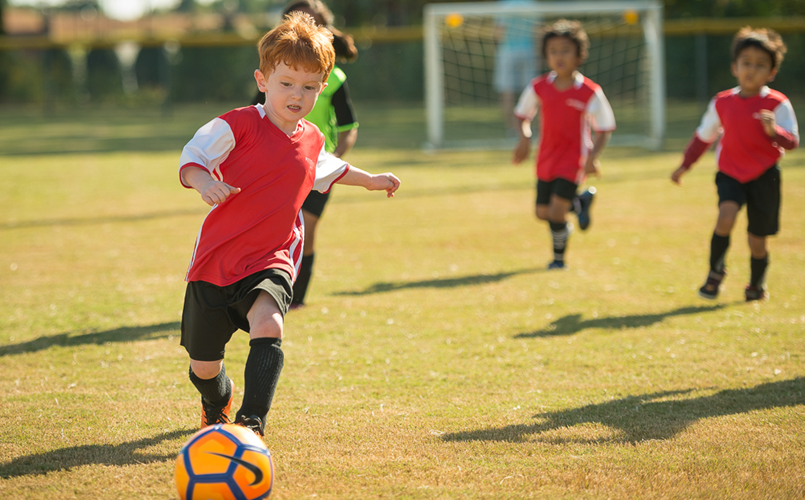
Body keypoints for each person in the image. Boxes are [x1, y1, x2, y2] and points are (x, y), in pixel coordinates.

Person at [178, 12, 400, 436]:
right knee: (203, 366)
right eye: (286, 83)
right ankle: (216, 398)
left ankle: (251, 424)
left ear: (323, 86)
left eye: (309, 86)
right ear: (263, 80)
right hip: (216, 261)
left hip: (272, 257)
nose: (297, 95)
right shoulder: (237, 124)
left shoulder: (312, 137)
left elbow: (327, 166)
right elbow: (193, 156)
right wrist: (204, 180)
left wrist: (369, 180)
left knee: (269, 323)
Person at [671, 27, 798, 302]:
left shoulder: (777, 104)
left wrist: (774, 132)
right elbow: (703, 137)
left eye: (760, 65)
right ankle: (715, 274)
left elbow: (792, 142)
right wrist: (684, 166)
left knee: (757, 239)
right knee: (725, 218)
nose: (752, 70)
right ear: (735, 67)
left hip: (765, 176)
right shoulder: (722, 102)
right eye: (746, 63)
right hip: (730, 173)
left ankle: (756, 283)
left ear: (772, 73)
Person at [253, 0, 360, 309]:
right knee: (277, 229)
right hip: (277, 166)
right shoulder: (275, 75)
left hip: (318, 166)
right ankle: (266, 290)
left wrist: (336, 159)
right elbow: (252, 115)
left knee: (306, 229)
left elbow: (349, 125)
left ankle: (296, 297)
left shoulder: (334, 79)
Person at [511, 19, 615, 270]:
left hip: (573, 160)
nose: (559, 56)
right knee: (542, 213)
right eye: (553, 51)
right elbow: (522, 115)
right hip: (546, 158)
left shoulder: (589, 91)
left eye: (565, 51)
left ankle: (558, 260)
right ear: (546, 55)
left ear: (579, 55)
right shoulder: (539, 86)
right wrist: (525, 138)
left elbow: (605, 127)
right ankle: (580, 202)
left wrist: (592, 157)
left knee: (557, 214)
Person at [494, 0, 539, 133]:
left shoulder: (503, 6)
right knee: (531, 91)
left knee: (507, 91)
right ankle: (532, 127)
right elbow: (536, 32)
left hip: (507, 52)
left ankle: (512, 128)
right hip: (528, 51)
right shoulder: (532, 5)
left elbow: (499, 32)